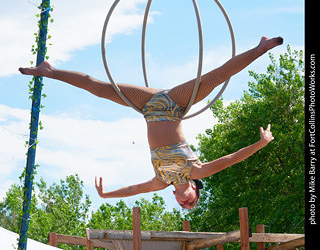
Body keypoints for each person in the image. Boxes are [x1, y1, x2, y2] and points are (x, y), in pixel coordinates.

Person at [19, 36, 283, 209]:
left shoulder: (161, 181)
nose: (186, 203)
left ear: (176, 197)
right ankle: (260, 48)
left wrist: (105, 195)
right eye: (191, 202)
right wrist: (261, 143)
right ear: (194, 189)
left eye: (183, 206)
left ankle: (48, 71)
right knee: (214, 77)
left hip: (148, 107)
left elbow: (134, 189)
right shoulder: (196, 171)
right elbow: (230, 159)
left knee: (98, 88)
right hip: (175, 104)